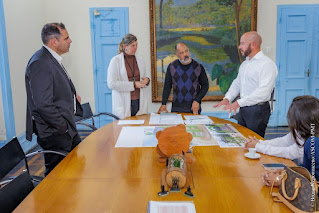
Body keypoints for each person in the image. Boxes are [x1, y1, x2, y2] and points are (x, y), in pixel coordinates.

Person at [25, 23, 82, 176]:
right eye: (66, 38)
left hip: (65, 128)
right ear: (54, 42)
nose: (70, 41)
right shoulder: (40, 62)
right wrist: (62, 127)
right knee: (56, 177)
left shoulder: (51, 58)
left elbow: (53, 89)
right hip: (55, 132)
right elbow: (43, 104)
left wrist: (71, 95)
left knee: (76, 167)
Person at [214, 31, 278, 137]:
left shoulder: (267, 64)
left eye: (242, 43)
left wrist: (238, 103)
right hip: (244, 109)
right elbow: (237, 83)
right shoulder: (245, 63)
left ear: (253, 44)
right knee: (243, 140)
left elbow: (263, 92)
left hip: (258, 111)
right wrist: (227, 98)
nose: (239, 47)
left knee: (254, 143)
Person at [245, 95, 319, 165]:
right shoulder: (302, 130)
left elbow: (288, 153)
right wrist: (260, 143)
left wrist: (258, 146)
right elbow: (284, 141)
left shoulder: (313, 142)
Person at [158, 42, 209, 114]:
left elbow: (205, 86)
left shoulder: (198, 67)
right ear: (177, 54)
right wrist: (164, 103)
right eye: (182, 53)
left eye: (186, 51)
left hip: (193, 108)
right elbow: (167, 86)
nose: (185, 54)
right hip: (176, 108)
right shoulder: (172, 67)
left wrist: (197, 100)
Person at [107, 34, 150, 119]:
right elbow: (111, 84)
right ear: (124, 46)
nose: (135, 48)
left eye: (136, 45)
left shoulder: (141, 60)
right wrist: (133, 85)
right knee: (124, 130)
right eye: (132, 46)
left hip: (139, 101)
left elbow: (143, 78)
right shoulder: (115, 61)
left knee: (140, 128)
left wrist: (147, 80)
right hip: (123, 102)